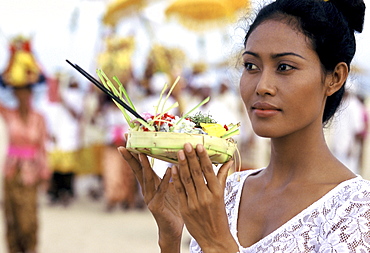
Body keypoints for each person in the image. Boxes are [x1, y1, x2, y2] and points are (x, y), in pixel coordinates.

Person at [118, 0, 369, 252]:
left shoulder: (355, 211)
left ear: (335, 78)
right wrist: (170, 237)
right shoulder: (226, 192)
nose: (262, 85)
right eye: (251, 66)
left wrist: (217, 243)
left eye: (284, 67)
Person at [0, 36, 50, 253]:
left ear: (30, 94)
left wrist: (31, 57)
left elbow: (42, 147)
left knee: (29, 219)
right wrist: (12, 59)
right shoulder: (9, 115)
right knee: (11, 219)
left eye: (25, 92)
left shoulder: (38, 118)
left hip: (31, 172)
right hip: (12, 171)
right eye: (17, 92)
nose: (21, 96)